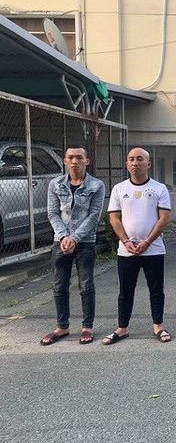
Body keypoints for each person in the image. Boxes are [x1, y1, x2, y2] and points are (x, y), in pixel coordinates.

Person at [102, 147, 172, 345]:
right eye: (131, 159)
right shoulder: (119, 189)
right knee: (125, 291)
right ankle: (122, 328)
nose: (135, 163)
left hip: (153, 249)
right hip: (127, 251)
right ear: (127, 164)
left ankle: (158, 326)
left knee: (156, 290)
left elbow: (164, 218)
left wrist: (147, 241)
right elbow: (115, 218)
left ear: (148, 164)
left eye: (140, 159)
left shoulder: (159, 188)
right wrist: (125, 241)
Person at [41, 143, 105, 345]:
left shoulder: (96, 185)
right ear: (65, 161)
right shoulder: (55, 184)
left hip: (85, 242)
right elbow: (53, 213)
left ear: (87, 161)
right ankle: (62, 326)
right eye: (70, 157)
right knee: (59, 286)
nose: (74, 161)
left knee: (86, 285)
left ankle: (87, 327)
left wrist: (74, 238)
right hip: (60, 242)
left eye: (79, 157)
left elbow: (94, 216)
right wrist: (63, 237)